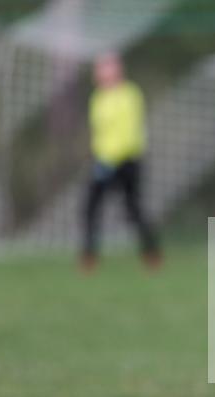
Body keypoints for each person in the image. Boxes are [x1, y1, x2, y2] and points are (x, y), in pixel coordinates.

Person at [81, 52, 160, 271]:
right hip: (103, 162)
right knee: (90, 208)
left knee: (133, 210)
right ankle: (89, 257)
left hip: (127, 162)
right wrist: (100, 159)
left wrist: (111, 160)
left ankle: (151, 254)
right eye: (99, 67)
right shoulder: (97, 97)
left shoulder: (130, 94)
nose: (101, 72)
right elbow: (99, 133)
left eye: (106, 66)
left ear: (117, 69)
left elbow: (128, 132)